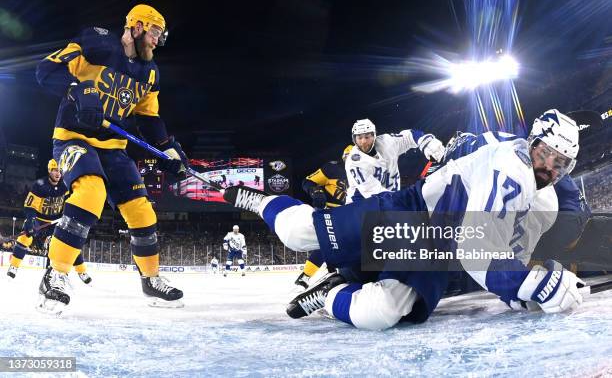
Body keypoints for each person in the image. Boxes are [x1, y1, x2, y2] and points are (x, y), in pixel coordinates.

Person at [224, 109, 585, 330]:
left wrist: (520, 293)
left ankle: (328, 294)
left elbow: (505, 249)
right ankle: (264, 200)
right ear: (532, 143)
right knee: (300, 233)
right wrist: (528, 284)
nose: (548, 168)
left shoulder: (543, 199)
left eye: (560, 164)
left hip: (437, 248)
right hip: (410, 210)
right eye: (544, 155)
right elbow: (478, 250)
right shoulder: (513, 167)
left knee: (379, 312)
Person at [35, 4, 186, 313]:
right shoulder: (96, 43)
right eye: (156, 32)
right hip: (73, 138)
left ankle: (150, 279)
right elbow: (45, 70)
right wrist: (78, 90)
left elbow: (149, 118)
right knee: (91, 193)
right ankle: (55, 273)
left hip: (113, 147)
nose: (158, 41)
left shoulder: (151, 72)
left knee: (142, 211)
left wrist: (168, 148)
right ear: (139, 26)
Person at [7, 159, 91, 284]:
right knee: (25, 237)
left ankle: (82, 271)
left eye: (60, 171)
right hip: (39, 220)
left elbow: (74, 197)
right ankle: (14, 266)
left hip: (56, 221)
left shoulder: (66, 184)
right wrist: (31, 220)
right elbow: (30, 205)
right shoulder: (40, 185)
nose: (58, 173)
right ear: (49, 170)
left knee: (69, 243)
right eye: (55, 170)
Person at [293, 145, 352, 289]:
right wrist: (316, 192)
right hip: (331, 211)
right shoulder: (332, 169)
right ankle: (306, 276)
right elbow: (308, 181)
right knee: (328, 244)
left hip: (352, 213)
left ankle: (340, 276)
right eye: (350, 157)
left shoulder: (368, 170)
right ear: (344, 158)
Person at [345, 119, 445, 203]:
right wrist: (404, 200)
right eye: (359, 137)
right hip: (360, 206)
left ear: (374, 136)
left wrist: (426, 142)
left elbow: (409, 136)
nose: (363, 141)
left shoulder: (387, 142)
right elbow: (375, 195)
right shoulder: (354, 163)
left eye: (367, 137)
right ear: (354, 139)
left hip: (390, 201)